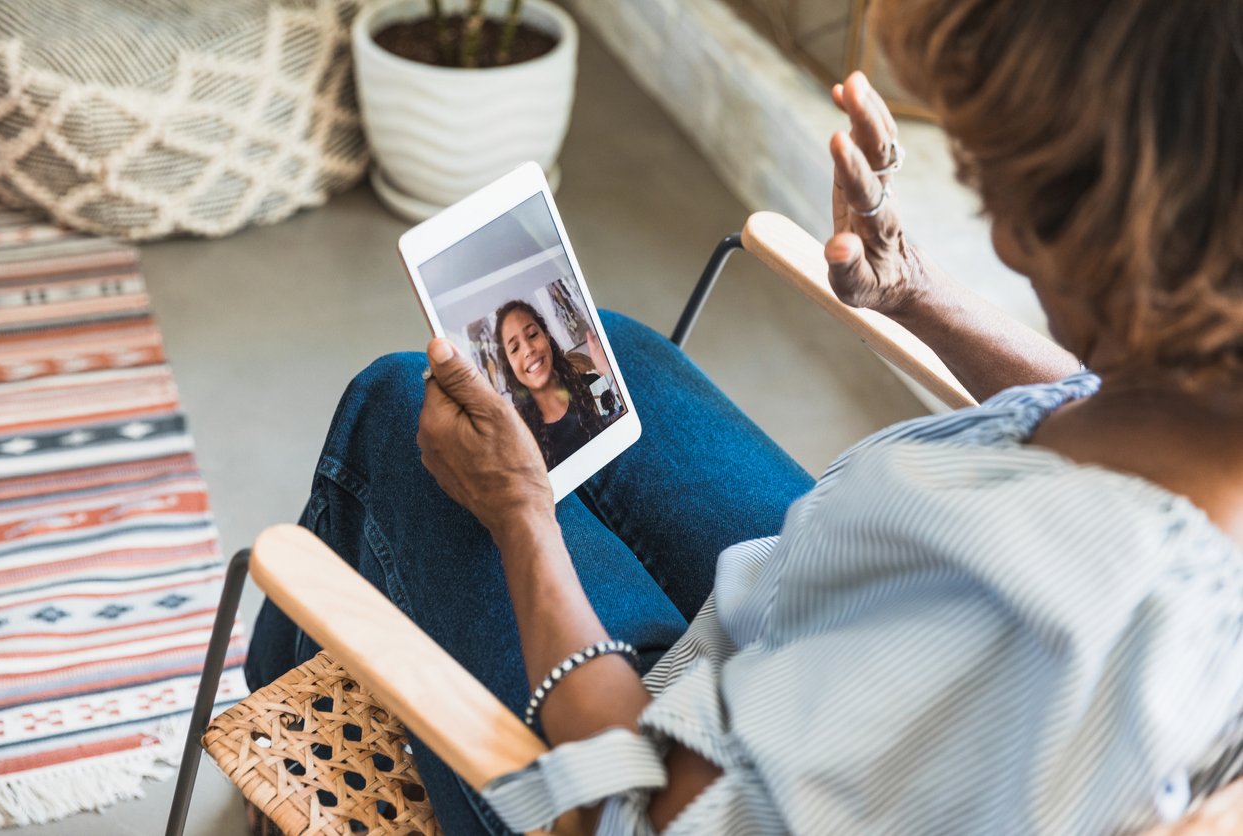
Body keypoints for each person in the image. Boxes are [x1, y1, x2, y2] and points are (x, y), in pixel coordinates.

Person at [246, 0, 1243, 832]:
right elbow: (1108, 402)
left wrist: (522, 518)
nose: (996, 223)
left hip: (666, 770)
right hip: (811, 654)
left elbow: (649, 814)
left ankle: (292, 741)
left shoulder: (1013, 609)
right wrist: (917, 294)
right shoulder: (1203, 410)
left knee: (399, 408)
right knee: (618, 355)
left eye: (1003, 190)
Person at [493, 299, 619, 469]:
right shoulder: (520, 438)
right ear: (510, 365)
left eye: (532, 335)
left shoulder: (593, 386)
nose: (528, 349)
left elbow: (621, 427)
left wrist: (607, 371)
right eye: (515, 348)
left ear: (546, 335)